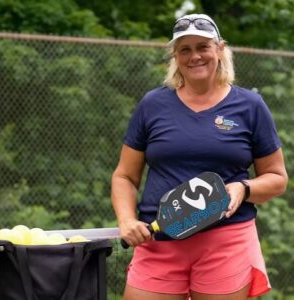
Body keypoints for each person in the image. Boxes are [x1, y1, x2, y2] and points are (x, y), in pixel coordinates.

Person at [111, 13, 288, 300]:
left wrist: (243, 188)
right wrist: (127, 220)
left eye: (203, 47)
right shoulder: (153, 105)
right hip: (159, 241)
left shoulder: (250, 106)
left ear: (220, 49)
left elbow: (277, 179)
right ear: (175, 56)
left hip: (226, 242)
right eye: (185, 49)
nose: (195, 56)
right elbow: (124, 176)